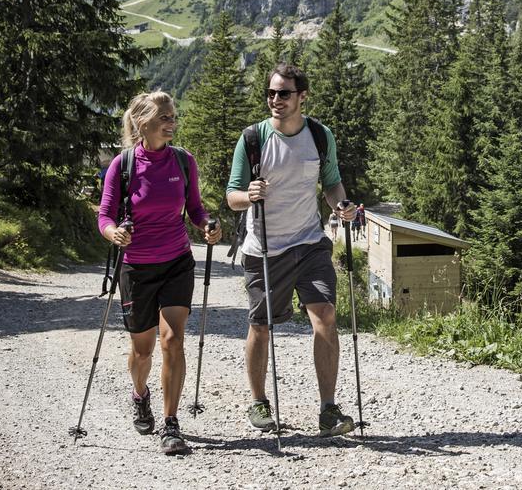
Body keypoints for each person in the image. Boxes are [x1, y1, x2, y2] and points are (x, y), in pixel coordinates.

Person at [226, 63, 358, 438]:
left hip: (310, 242)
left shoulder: (319, 135)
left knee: (326, 315)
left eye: (283, 93)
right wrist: (247, 195)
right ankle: (258, 401)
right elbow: (232, 195)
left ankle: (328, 410)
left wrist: (341, 205)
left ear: (302, 96)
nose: (275, 100)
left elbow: (331, 182)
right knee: (261, 325)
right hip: (265, 249)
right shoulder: (252, 139)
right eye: (270, 93)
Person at [97, 91, 222, 455]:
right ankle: (140, 394)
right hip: (136, 267)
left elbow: (196, 208)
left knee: (173, 340)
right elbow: (104, 215)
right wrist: (112, 233)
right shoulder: (122, 166)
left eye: (172, 116)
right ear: (143, 123)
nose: (172, 122)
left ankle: (171, 423)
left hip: (177, 261)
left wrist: (207, 225)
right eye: (164, 117)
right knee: (142, 349)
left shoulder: (183, 161)